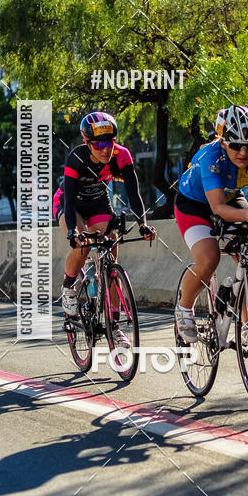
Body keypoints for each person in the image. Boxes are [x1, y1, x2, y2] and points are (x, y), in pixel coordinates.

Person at [174, 105, 248, 346]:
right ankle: (184, 309)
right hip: (195, 205)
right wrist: (247, 214)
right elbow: (217, 208)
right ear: (222, 141)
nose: (243, 152)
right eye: (235, 145)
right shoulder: (210, 156)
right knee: (209, 258)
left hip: (231, 198)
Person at [53, 111, 155, 346]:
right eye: (98, 143)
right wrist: (73, 233)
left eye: (109, 142)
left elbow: (133, 193)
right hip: (71, 204)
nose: (105, 148)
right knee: (83, 247)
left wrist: (142, 224)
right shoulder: (76, 158)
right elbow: (68, 201)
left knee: (111, 249)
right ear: (86, 142)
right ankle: (68, 287)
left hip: (98, 201)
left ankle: (115, 326)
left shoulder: (122, 156)